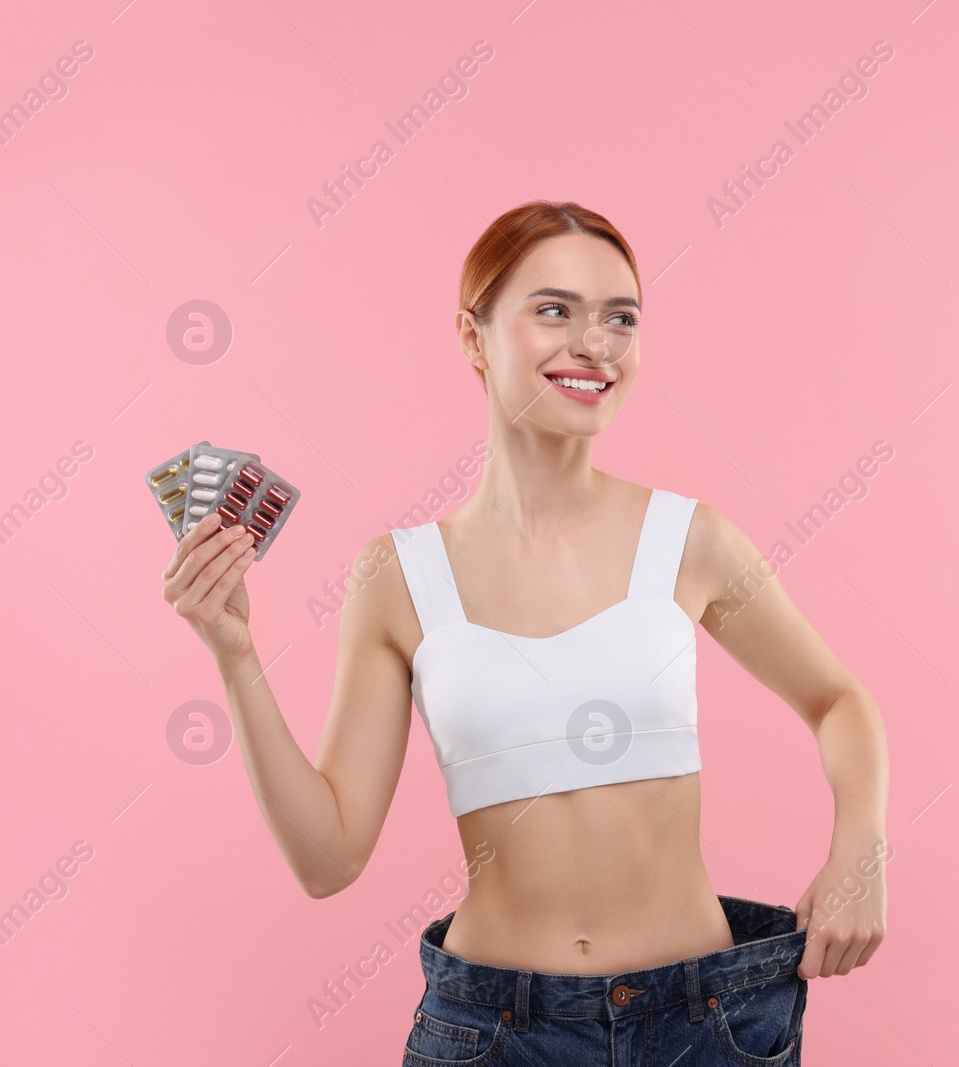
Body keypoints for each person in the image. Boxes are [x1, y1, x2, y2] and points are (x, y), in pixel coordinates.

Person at [159, 200, 889, 1064]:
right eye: (555, 310)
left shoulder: (690, 540)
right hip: (496, 1033)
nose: (596, 343)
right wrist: (236, 655)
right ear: (473, 336)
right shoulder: (398, 576)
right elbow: (328, 857)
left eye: (621, 318)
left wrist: (860, 854)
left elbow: (838, 699)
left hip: (703, 1024)